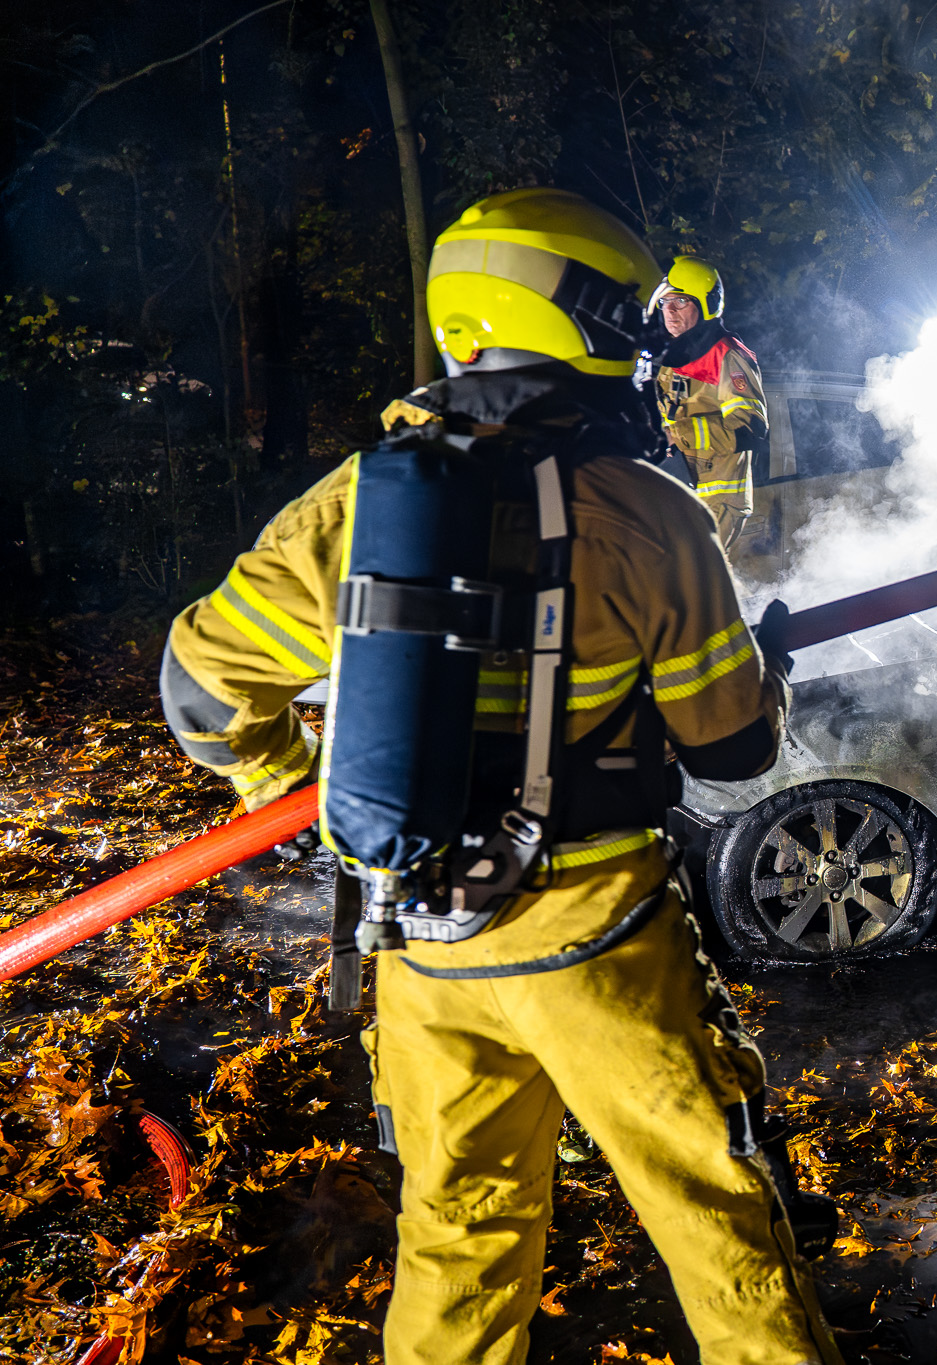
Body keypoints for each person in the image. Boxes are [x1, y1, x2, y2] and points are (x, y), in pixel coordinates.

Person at [159, 187, 839, 1365]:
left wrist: (295, 794)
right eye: (629, 322)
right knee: (713, 1218)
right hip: (603, 941)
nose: (645, 348)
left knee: (461, 1238)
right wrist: (760, 667)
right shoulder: (649, 513)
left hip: (425, 949)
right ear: (582, 325)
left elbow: (201, 694)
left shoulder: (346, 510)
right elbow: (732, 748)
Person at [651, 255, 768, 551]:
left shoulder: (727, 355)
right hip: (679, 492)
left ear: (705, 305)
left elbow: (750, 427)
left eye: (681, 302)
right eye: (665, 303)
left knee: (686, 587)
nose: (670, 311)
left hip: (717, 501)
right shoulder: (673, 357)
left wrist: (677, 434)